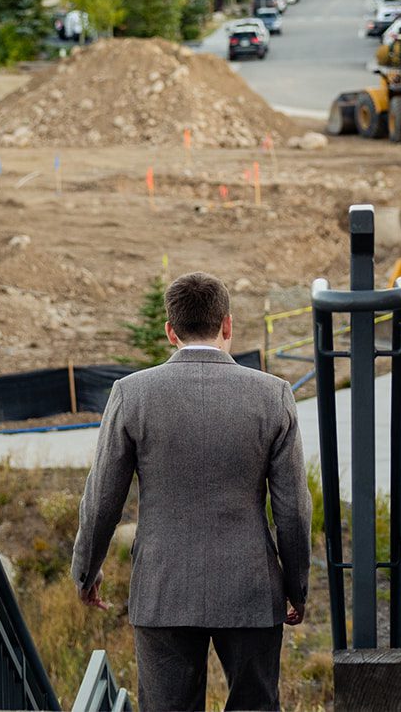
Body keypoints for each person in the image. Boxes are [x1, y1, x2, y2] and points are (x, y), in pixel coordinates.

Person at [71, 271, 311, 711]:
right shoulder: (273, 395)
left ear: (170, 331)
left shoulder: (132, 394)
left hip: (163, 591)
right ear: (228, 325)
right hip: (251, 591)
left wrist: (87, 571)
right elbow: (293, 510)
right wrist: (296, 587)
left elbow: (102, 499)